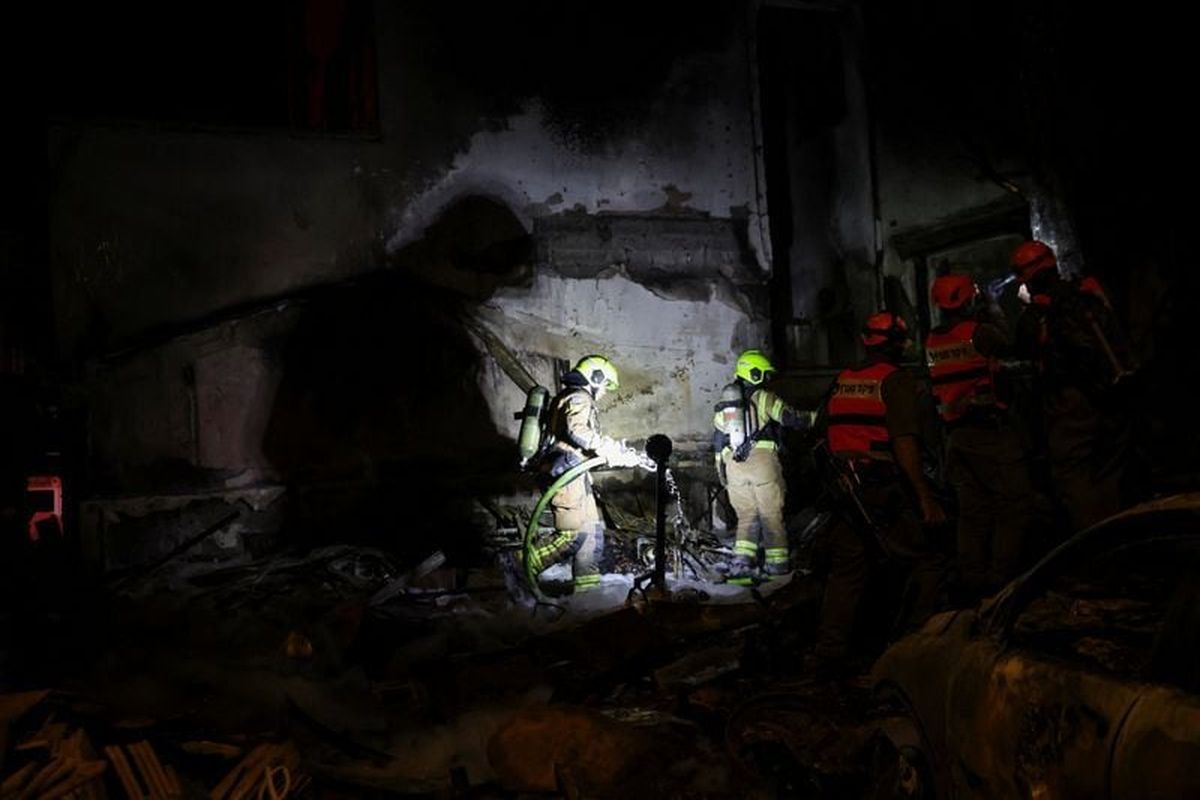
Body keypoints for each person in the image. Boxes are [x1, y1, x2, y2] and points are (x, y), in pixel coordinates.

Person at [812, 311, 947, 673]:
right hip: (881, 487)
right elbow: (904, 444)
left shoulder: (843, 379)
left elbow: (822, 433)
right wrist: (925, 497)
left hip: (845, 490)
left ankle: (831, 652)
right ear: (898, 344)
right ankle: (915, 647)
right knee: (927, 557)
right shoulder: (895, 381)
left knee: (848, 570)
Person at [1010, 240, 1136, 532]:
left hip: (1070, 405)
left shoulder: (1038, 315)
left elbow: (1024, 353)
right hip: (1112, 395)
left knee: (1073, 476)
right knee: (1111, 472)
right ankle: (1123, 534)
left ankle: (1098, 544)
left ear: (1026, 276)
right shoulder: (1088, 294)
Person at [926, 273, 1033, 601]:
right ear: (969, 300)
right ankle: (1002, 582)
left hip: (955, 436)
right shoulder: (979, 333)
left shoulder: (933, 340)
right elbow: (1012, 343)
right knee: (1013, 504)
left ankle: (972, 581)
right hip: (988, 432)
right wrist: (993, 305)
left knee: (972, 512)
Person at [528, 355, 646, 592]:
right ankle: (521, 567)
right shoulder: (580, 397)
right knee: (572, 536)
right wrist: (610, 449)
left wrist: (615, 452)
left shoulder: (570, 397)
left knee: (591, 535)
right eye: (603, 386)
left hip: (575, 476)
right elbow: (577, 431)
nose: (603, 392)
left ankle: (588, 595)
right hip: (566, 477)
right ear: (595, 378)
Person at [712, 349, 815, 580]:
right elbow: (791, 418)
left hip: (733, 467)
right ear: (755, 373)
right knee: (770, 514)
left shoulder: (725, 406)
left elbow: (717, 439)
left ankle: (742, 562)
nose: (767, 379)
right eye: (764, 375)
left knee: (747, 515)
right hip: (762, 464)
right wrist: (818, 417)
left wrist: (720, 467)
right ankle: (777, 564)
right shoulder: (765, 398)